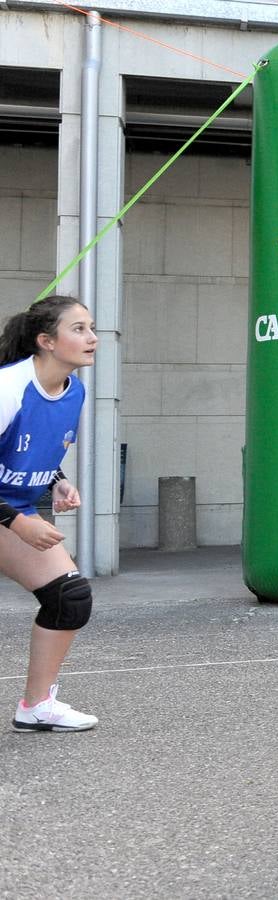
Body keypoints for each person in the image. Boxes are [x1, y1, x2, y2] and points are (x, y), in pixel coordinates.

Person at [2, 294, 97, 733]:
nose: (93, 338)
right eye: (78, 329)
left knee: (68, 598)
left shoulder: (73, 390)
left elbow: (37, 444)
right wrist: (18, 522)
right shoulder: (8, 388)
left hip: (11, 510)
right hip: (9, 515)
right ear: (46, 341)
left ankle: (36, 706)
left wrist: (57, 480)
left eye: (91, 328)